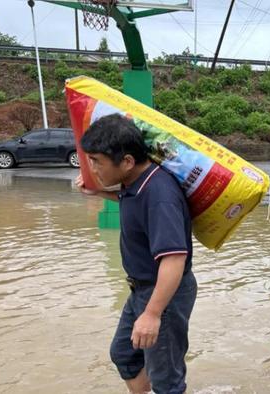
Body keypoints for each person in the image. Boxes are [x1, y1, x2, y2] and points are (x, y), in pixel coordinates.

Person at [75, 114, 197, 393]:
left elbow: (174, 259)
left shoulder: (159, 195)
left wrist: (153, 313)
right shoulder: (136, 182)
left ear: (127, 161)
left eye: (97, 161)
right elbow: (128, 199)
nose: (92, 168)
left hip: (164, 294)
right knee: (125, 354)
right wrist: (97, 193)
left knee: (167, 380)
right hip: (142, 289)